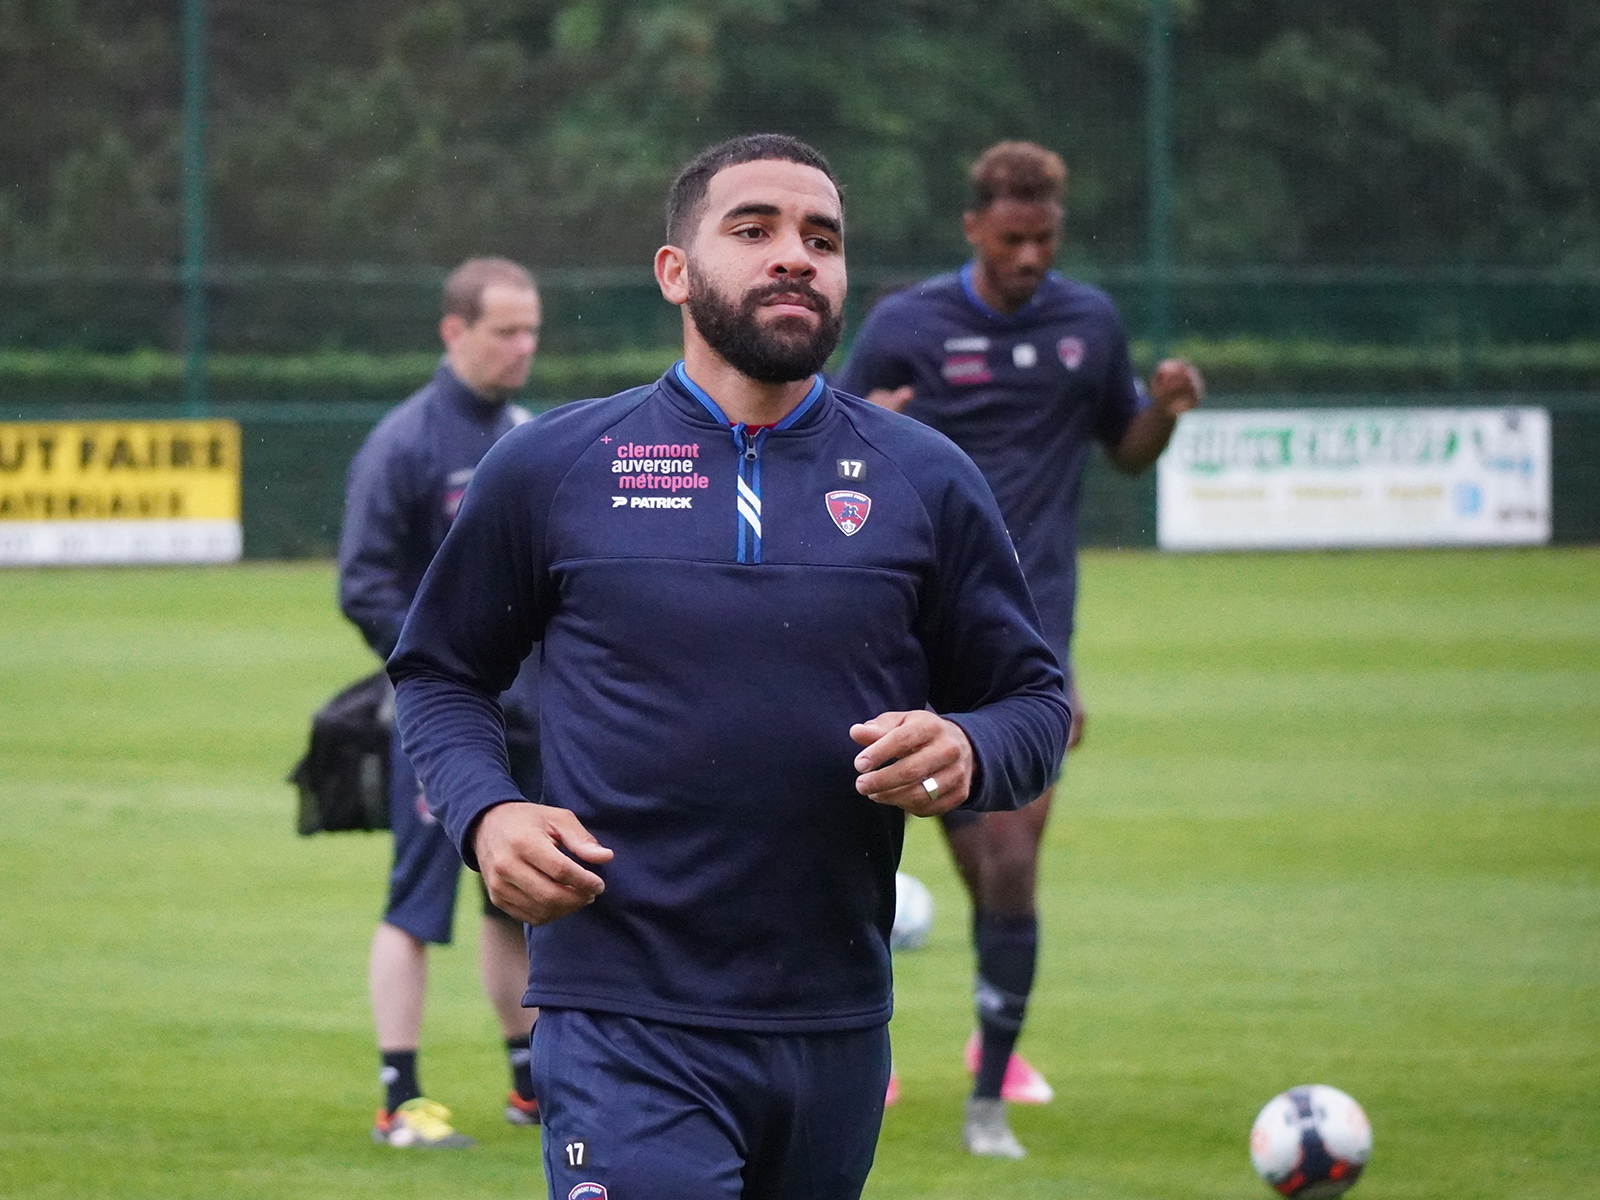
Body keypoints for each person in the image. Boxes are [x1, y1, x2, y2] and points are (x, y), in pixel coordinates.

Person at [386, 134, 1072, 1200]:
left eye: (821, 239)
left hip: (834, 1019)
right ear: (675, 272)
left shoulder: (925, 480)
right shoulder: (556, 468)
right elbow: (437, 673)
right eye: (753, 231)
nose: (794, 255)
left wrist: (970, 746)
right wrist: (488, 813)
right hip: (623, 1016)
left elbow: (1032, 703)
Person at [834, 140, 1204, 1159]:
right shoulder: (906, 326)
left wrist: (1164, 414)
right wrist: (862, 424)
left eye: (1044, 239)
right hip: (901, 633)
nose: (1031, 258)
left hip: (1028, 637)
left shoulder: (1088, 323)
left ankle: (988, 1092)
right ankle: (853, 1049)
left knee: (1008, 864)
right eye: (1011, 240)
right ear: (972, 232)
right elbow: (817, 435)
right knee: (869, 855)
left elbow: (1124, 447)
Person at [338, 257, 546, 1148]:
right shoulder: (405, 442)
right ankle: (400, 1099)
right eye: (505, 331)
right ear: (453, 331)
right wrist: (445, 669)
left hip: (530, 717)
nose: (523, 347)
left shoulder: (529, 435)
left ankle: (533, 1087)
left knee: (520, 895)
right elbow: (364, 582)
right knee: (418, 905)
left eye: (532, 330)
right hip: (442, 722)